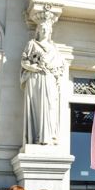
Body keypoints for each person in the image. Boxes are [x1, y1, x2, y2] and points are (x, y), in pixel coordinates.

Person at [21, 15, 65, 146]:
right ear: (38, 31)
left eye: (47, 29)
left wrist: (54, 71)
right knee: (39, 106)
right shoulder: (32, 44)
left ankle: (50, 136)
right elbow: (24, 61)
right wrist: (35, 67)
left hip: (50, 79)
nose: (45, 30)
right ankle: (39, 137)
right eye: (42, 28)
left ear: (50, 31)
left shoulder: (54, 48)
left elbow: (60, 66)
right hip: (37, 79)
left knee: (51, 106)